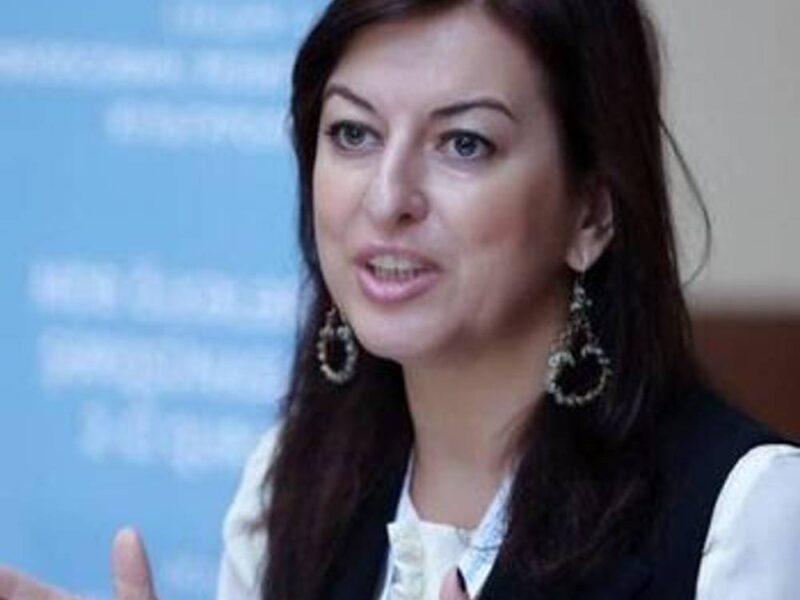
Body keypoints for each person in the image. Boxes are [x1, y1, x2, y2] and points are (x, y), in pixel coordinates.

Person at [2, 1, 799, 599]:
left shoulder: (745, 514)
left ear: (591, 212)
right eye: (353, 133)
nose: (387, 199)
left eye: (464, 144)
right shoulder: (284, 486)